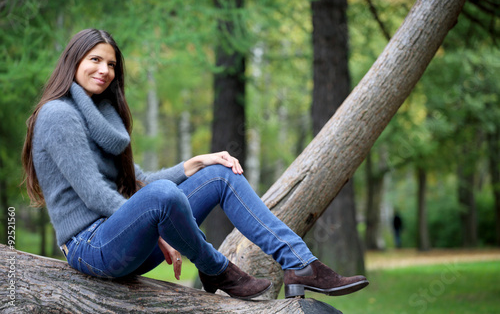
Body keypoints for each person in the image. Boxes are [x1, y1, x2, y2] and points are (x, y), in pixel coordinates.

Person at [21, 28, 369, 300]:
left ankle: (300, 264)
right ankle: (216, 268)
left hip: (124, 242)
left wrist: (195, 163)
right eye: (95, 60)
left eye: (111, 64)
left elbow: (138, 182)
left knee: (218, 174)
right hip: (91, 248)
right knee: (161, 197)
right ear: (74, 61)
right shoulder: (58, 115)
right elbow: (97, 195)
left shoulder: (102, 116)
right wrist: (150, 224)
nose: (105, 70)